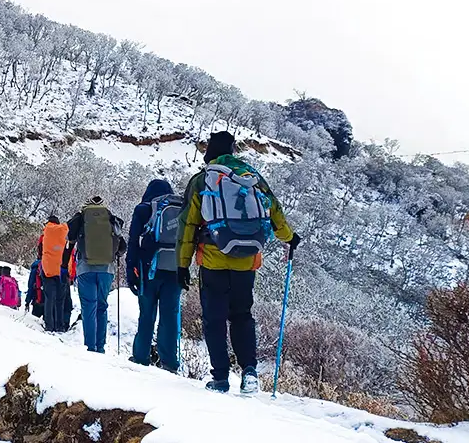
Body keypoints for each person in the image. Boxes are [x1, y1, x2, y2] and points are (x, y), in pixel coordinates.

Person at [179, 131, 300, 395]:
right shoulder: (251, 177)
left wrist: (182, 264)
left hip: (213, 260)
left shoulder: (203, 180)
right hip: (247, 260)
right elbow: (274, 210)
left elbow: (187, 224)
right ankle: (250, 373)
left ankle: (220, 378)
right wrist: (289, 238)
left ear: (210, 152)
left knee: (214, 319)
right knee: (242, 315)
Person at [126, 179, 182, 372]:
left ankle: (141, 358)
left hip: (148, 270)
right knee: (170, 316)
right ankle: (170, 363)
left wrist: (130, 269)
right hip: (175, 270)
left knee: (147, 314)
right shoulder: (180, 207)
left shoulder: (143, 209)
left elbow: (133, 241)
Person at [65, 196, 126, 353]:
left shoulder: (82, 217)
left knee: (88, 307)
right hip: (106, 270)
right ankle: (100, 347)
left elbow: (70, 238)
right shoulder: (110, 218)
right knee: (102, 307)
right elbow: (122, 247)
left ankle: (90, 347)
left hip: (85, 269)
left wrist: (64, 265)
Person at [38, 216, 70, 333]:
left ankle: (49, 325)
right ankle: (60, 326)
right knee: (60, 300)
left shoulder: (46, 232)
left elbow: (40, 251)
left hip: (48, 270)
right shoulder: (64, 230)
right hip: (62, 269)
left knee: (49, 298)